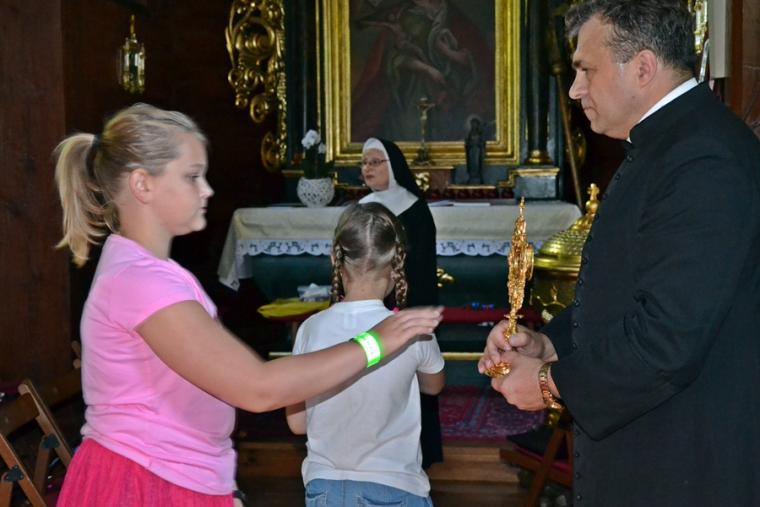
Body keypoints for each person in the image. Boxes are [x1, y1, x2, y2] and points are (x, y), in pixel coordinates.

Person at [52, 103, 442, 506]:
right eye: (191, 176)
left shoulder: (151, 272)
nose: (207, 190)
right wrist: (375, 342)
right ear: (142, 185)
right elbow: (258, 388)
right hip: (143, 482)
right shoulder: (140, 281)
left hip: (175, 472)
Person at [479, 1, 760, 505]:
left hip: (686, 462)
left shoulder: (704, 158)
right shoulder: (671, 144)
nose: (575, 89)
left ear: (643, 67)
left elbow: (668, 338)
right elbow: (631, 293)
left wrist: (549, 383)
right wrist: (549, 345)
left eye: (586, 70)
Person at [285, 202, 445, 506]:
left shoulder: (310, 330)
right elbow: (434, 386)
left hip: (325, 487)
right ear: (397, 263)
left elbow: (298, 424)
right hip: (394, 485)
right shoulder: (411, 329)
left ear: (335, 258)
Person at [359, 137, 444, 468]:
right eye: (364, 163)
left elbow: (422, 266)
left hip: (408, 307)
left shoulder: (414, 209)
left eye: (375, 162)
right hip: (368, 309)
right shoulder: (362, 209)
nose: (368, 168)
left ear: (392, 166)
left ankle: (420, 455)